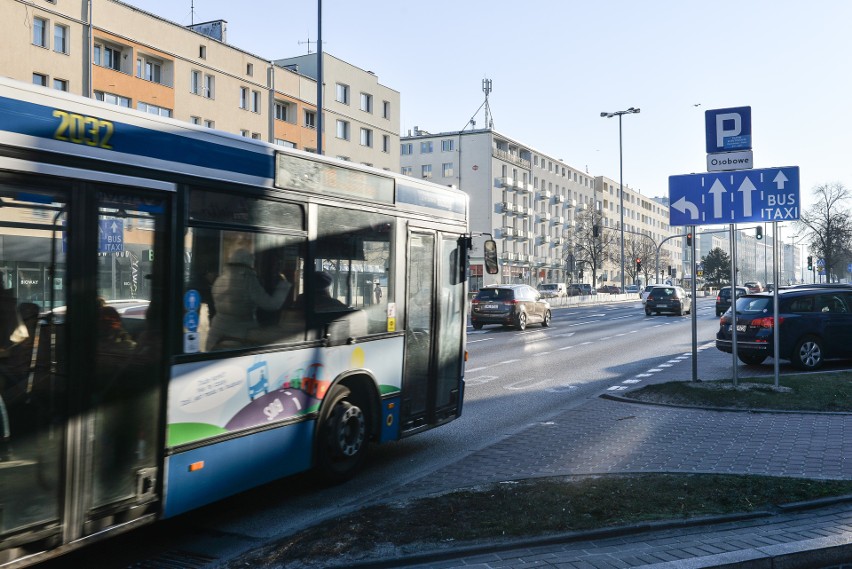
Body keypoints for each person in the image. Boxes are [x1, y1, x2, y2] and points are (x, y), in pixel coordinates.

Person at [206, 248, 291, 350]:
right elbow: (271, 305)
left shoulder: (220, 278)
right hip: (238, 337)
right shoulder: (248, 279)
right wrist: (284, 286)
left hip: (216, 334)